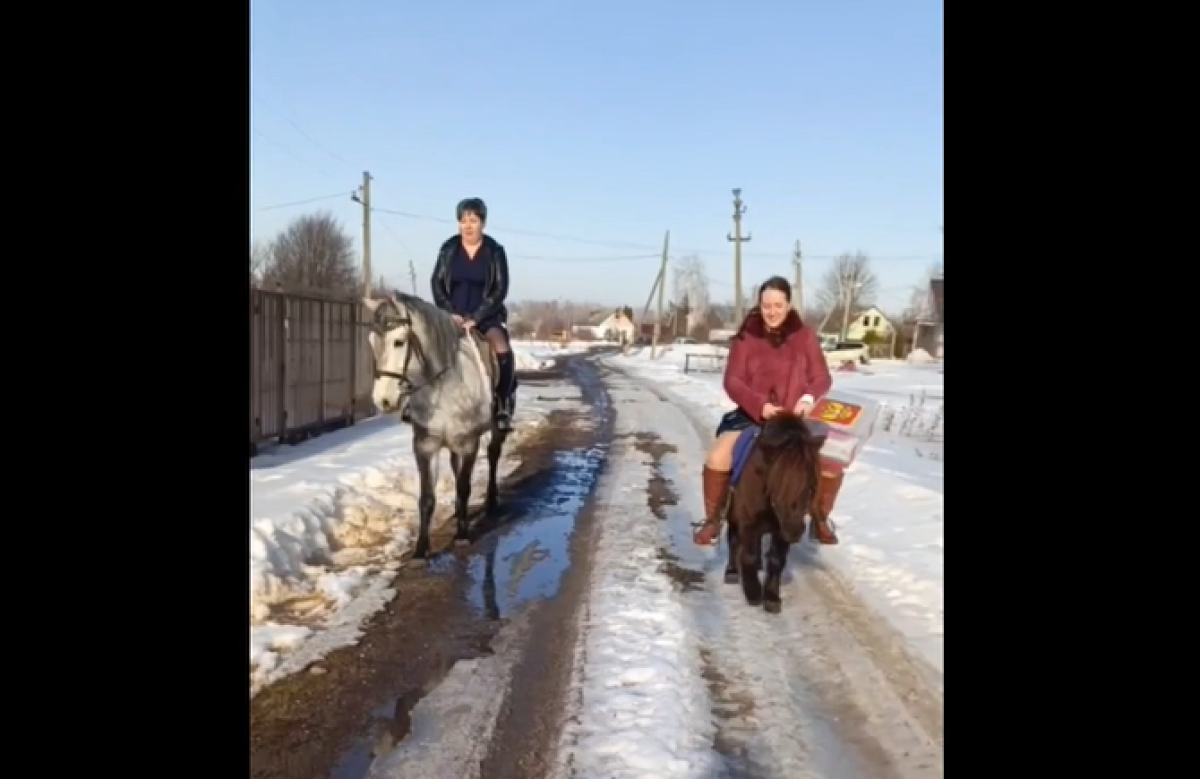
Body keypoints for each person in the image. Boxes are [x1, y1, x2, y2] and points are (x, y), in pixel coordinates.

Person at [693, 275, 840, 546]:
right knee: (717, 457)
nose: (772, 312)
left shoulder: (805, 336)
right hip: (753, 419)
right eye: (766, 305)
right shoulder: (745, 338)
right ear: (759, 306)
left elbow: (822, 378)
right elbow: (732, 381)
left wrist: (808, 398)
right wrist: (761, 406)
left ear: (788, 305)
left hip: (796, 421)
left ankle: (819, 517)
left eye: (778, 305)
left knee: (833, 461)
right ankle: (713, 520)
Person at [429, 197, 517, 431]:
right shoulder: (448, 249)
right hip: (452, 316)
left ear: (483, 223)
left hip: (485, 316)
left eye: (473, 220)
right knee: (424, 346)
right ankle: (421, 404)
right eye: (463, 220)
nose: (468, 226)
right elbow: (436, 283)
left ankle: (502, 404)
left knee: (502, 347)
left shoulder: (495, 251)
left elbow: (500, 288)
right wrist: (449, 312)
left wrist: (476, 317)